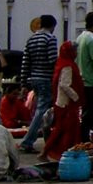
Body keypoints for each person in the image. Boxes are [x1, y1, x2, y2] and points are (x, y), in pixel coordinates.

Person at [18, 14, 58, 154]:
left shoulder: (32, 39)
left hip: (33, 78)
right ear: (52, 26)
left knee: (39, 110)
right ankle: (28, 141)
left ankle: (44, 137)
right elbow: (53, 60)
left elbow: (25, 62)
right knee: (42, 110)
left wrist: (24, 82)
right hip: (45, 78)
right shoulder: (50, 38)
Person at [41, 40, 83, 162]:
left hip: (61, 102)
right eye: (74, 50)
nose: (76, 53)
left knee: (60, 129)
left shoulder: (62, 63)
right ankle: (61, 154)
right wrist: (76, 97)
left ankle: (48, 152)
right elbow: (65, 85)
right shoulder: (68, 66)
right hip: (67, 103)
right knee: (68, 130)